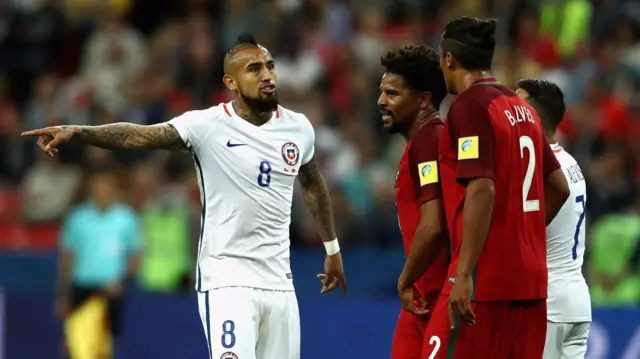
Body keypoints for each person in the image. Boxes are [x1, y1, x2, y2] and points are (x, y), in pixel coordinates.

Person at [23, 34, 347, 359]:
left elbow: (312, 184)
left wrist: (332, 248)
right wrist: (81, 132)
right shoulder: (207, 124)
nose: (267, 75)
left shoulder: (299, 128)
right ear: (230, 81)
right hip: (227, 279)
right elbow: (139, 135)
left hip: (280, 281)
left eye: (270, 66)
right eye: (254, 68)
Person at [424, 17, 570, 359]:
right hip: (532, 282)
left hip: (486, 283)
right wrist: (521, 229)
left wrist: (463, 274)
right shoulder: (522, 108)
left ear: (448, 59)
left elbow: (481, 188)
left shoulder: (470, 107)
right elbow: (559, 186)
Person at [377, 44, 450, 359]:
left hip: (438, 299)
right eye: (382, 92)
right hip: (420, 300)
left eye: (392, 94)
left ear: (423, 101)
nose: (381, 101)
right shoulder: (420, 144)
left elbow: (434, 224)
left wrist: (404, 280)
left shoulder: (430, 142)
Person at [516, 79, 591, 359]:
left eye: (517, 103)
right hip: (577, 302)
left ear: (532, 115)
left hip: (550, 305)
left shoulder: (539, 171)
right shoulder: (571, 163)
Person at [57, 168, 141, 359]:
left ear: (114, 189)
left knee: (106, 345)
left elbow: (135, 257)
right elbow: (67, 257)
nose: (101, 190)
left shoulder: (126, 218)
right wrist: (63, 293)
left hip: (112, 290)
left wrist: (122, 280)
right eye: (97, 186)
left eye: (106, 185)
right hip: (82, 289)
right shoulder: (77, 218)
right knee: (76, 344)